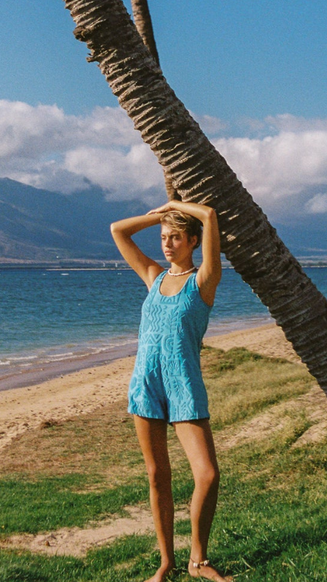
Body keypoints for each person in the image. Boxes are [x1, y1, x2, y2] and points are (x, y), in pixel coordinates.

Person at [111, 200, 231, 582]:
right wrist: (158, 217)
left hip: (184, 386)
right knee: (156, 474)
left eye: (176, 237)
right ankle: (166, 563)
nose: (167, 244)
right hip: (146, 385)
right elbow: (118, 230)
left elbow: (210, 215)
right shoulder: (153, 276)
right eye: (164, 238)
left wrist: (177, 205)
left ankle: (198, 559)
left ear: (193, 241)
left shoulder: (204, 281)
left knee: (207, 474)